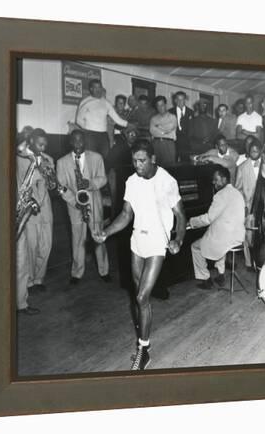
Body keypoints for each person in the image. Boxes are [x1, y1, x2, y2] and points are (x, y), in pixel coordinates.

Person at [93, 140, 186, 370]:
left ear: (153, 159)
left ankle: (143, 350)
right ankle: (145, 345)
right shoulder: (131, 182)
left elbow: (181, 215)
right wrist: (106, 232)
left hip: (157, 242)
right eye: (134, 160)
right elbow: (126, 214)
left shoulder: (167, 181)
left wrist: (178, 239)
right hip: (137, 240)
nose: (137, 165)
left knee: (142, 297)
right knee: (138, 297)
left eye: (142, 160)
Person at [56, 130, 111, 285]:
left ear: (85, 142)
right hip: (74, 206)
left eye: (81, 141)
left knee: (99, 237)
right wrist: (75, 201)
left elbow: (103, 179)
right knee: (78, 239)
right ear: (70, 142)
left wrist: (90, 183)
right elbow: (61, 187)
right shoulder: (61, 162)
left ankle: (104, 270)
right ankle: (77, 273)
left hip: (94, 203)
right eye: (75, 141)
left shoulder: (97, 157)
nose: (78, 144)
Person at [189, 166, 246, 289]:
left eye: (216, 179)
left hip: (226, 238)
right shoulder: (237, 193)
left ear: (224, 179)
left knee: (195, 247)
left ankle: (205, 278)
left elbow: (208, 218)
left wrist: (191, 221)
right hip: (238, 236)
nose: (213, 182)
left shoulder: (220, 195)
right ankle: (220, 274)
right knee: (219, 241)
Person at [235, 139, 265, 269]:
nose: (254, 152)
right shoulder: (242, 167)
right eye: (252, 150)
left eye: (257, 150)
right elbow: (238, 189)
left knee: (264, 234)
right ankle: (250, 263)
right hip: (250, 206)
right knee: (248, 237)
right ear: (248, 152)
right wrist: (243, 205)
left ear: (261, 151)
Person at [21, 129, 56, 294]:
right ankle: (28, 281)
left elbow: (52, 185)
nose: (42, 148)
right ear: (31, 141)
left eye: (45, 145)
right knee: (31, 246)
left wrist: (50, 177)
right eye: (39, 144)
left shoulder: (49, 159)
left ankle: (39, 279)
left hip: (46, 207)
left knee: (46, 245)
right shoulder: (21, 159)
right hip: (29, 208)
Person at [75, 79, 131, 158]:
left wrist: (129, 124)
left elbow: (117, 119)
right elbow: (78, 120)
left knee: (104, 157)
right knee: (91, 158)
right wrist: (88, 129)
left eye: (100, 87)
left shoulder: (106, 103)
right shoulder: (85, 102)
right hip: (90, 135)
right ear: (91, 89)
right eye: (96, 87)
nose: (98, 90)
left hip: (103, 136)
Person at [106, 126, 139, 211]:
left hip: (131, 176)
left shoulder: (137, 148)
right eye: (130, 134)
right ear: (126, 135)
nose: (133, 136)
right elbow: (109, 163)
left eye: (135, 134)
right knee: (117, 199)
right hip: (117, 175)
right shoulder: (118, 147)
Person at [149, 95, 178, 165]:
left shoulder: (172, 117)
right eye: (158, 105)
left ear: (165, 105)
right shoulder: (153, 119)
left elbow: (169, 128)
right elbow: (152, 131)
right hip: (156, 144)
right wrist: (164, 132)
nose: (160, 107)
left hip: (168, 144)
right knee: (156, 168)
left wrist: (158, 127)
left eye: (162, 105)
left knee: (169, 168)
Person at [169, 91, 195, 162]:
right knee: (173, 163)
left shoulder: (191, 112)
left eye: (182, 99)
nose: (180, 101)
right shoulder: (170, 112)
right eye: (178, 99)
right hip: (174, 143)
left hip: (187, 144)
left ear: (185, 100)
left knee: (186, 164)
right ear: (175, 100)